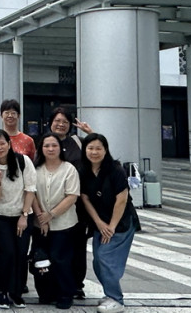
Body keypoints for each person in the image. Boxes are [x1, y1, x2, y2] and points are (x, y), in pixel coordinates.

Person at [80, 134, 140, 313]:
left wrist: (111, 226)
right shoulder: (83, 170)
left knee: (106, 258)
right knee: (98, 261)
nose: (94, 152)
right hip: (100, 223)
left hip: (120, 223)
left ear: (106, 150)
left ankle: (116, 299)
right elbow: (85, 198)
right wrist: (99, 223)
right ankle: (109, 293)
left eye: (99, 148)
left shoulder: (115, 170)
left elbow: (121, 200)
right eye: (90, 148)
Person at [0, 129, 36, 309]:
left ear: (9, 144)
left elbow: (30, 189)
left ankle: (16, 292)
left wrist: (24, 215)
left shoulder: (23, 161)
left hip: (22, 214)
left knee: (21, 253)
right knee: (6, 253)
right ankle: (2, 291)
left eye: (2, 143)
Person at [48, 107, 94, 299]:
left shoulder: (78, 142)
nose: (61, 124)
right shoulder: (45, 142)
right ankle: (52, 284)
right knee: (52, 246)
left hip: (77, 203)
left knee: (77, 246)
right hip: (50, 203)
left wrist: (90, 133)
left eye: (65, 122)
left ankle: (76, 284)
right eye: (57, 121)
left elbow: (98, 151)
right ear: (50, 123)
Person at [31, 132, 80, 310]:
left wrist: (50, 215)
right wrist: (41, 218)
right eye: (46, 146)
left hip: (64, 223)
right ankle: (45, 293)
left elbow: (72, 196)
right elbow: (31, 193)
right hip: (40, 223)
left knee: (61, 260)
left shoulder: (69, 169)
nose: (50, 149)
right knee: (41, 260)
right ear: (41, 149)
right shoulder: (35, 169)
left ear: (60, 148)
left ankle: (65, 294)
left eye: (54, 145)